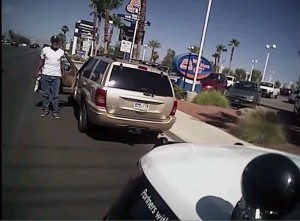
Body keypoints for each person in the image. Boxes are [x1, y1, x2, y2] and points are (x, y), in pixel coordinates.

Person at [34, 35, 65, 119]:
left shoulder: (61, 52)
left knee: (55, 95)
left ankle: (55, 111)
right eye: (54, 41)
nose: (55, 43)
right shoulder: (45, 50)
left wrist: (63, 72)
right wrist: (37, 71)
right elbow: (41, 61)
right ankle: (45, 109)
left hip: (56, 76)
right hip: (46, 74)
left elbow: (62, 64)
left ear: (58, 42)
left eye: (57, 41)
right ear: (51, 42)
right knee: (45, 94)